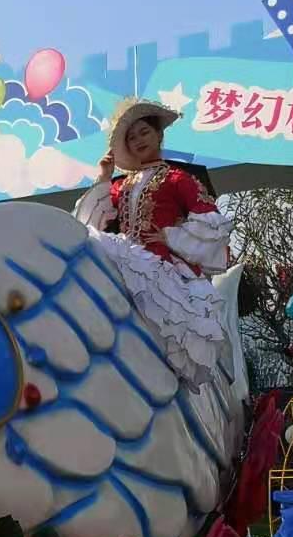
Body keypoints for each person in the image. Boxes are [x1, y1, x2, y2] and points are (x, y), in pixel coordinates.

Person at [72, 97, 232, 389]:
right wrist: (104, 178)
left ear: (159, 135)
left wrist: (170, 236)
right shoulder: (121, 185)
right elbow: (88, 225)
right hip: (124, 259)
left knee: (168, 328)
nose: (138, 140)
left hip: (161, 268)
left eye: (144, 132)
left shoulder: (177, 178)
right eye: (131, 137)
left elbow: (211, 224)